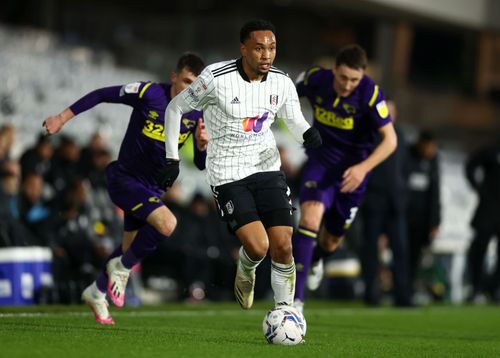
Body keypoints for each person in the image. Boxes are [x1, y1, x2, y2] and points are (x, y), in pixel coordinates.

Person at [163, 19, 322, 310]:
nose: (266, 55)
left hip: (267, 167)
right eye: (259, 48)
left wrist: (307, 133)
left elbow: (294, 120)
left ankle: (287, 311)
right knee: (258, 246)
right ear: (243, 48)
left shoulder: (281, 81)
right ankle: (246, 268)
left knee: (284, 245)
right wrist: (172, 158)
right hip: (228, 173)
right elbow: (175, 108)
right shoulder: (216, 78)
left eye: (272, 48)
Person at [43, 53, 207, 324]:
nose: (190, 90)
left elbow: (200, 164)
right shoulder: (148, 93)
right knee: (166, 224)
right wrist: (62, 117)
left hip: (151, 189)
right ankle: (122, 268)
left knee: (128, 248)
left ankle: (96, 292)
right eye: (186, 82)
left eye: (196, 86)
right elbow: (101, 94)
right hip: (125, 179)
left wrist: (202, 146)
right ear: (173, 76)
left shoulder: (197, 112)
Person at [291, 44, 397, 312]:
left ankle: (316, 259)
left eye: (354, 79)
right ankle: (295, 302)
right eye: (343, 78)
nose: (348, 85)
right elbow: (285, 94)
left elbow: (390, 141)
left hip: (353, 174)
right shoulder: (316, 78)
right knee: (309, 219)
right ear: (334, 69)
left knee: (331, 240)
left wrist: (363, 168)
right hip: (320, 163)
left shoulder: (370, 94)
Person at [360, 101, 411, 306]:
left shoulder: (401, 135)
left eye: (392, 112)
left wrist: (403, 196)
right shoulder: (369, 135)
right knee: (370, 251)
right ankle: (371, 294)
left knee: (400, 251)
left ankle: (403, 295)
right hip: (374, 201)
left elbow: (405, 170)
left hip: (396, 204)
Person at [464, 139, 500, 303]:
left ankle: (494, 289)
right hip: (488, 210)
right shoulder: (492, 151)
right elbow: (470, 165)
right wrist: (478, 188)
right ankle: (476, 287)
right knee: (478, 250)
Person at [406, 130, 441, 298]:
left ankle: (410, 288)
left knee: (416, 255)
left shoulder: (433, 162)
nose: (430, 150)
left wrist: (435, 221)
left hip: (423, 220)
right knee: (401, 253)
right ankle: (399, 287)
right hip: (404, 216)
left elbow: (435, 194)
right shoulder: (407, 156)